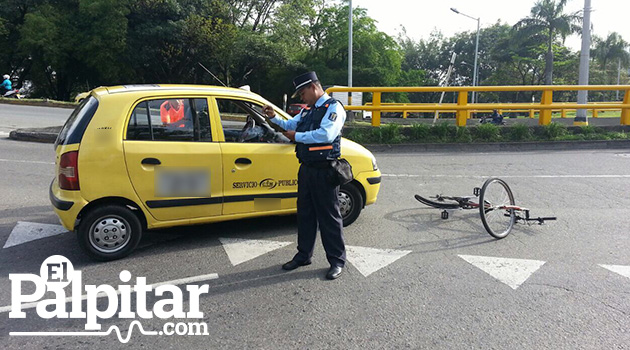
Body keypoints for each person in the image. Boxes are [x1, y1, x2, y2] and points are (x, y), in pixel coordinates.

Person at [262, 71, 347, 280]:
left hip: (325, 171)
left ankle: (336, 260)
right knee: (305, 214)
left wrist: (297, 136)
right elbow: (291, 124)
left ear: (313, 87)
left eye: (302, 93)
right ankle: (303, 255)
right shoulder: (309, 110)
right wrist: (274, 117)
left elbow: (326, 134)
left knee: (329, 217)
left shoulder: (333, 108)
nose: (302, 98)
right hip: (307, 169)